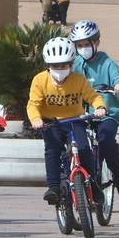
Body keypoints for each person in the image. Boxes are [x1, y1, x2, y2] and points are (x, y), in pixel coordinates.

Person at [27, 37, 107, 205]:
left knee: (85, 149)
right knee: (52, 151)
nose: (59, 69)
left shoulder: (78, 80)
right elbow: (33, 104)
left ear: (71, 64)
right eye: (55, 66)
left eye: (64, 65)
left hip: (75, 121)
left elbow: (93, 97)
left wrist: (100, 107)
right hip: (51, 122)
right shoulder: (40, 80)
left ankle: (93, 186)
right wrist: (36, 119)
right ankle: (54, 188)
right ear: (48, 65)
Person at [69, 20, 119, 198]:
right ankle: (86, 185)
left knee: (105, 139)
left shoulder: (107, 62)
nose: (83, 49)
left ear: (96, 42)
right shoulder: (75, 64)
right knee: (78, 146)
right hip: (83, 114)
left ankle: (118, 173)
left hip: (107, 114)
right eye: (79, 45)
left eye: (86, 44)